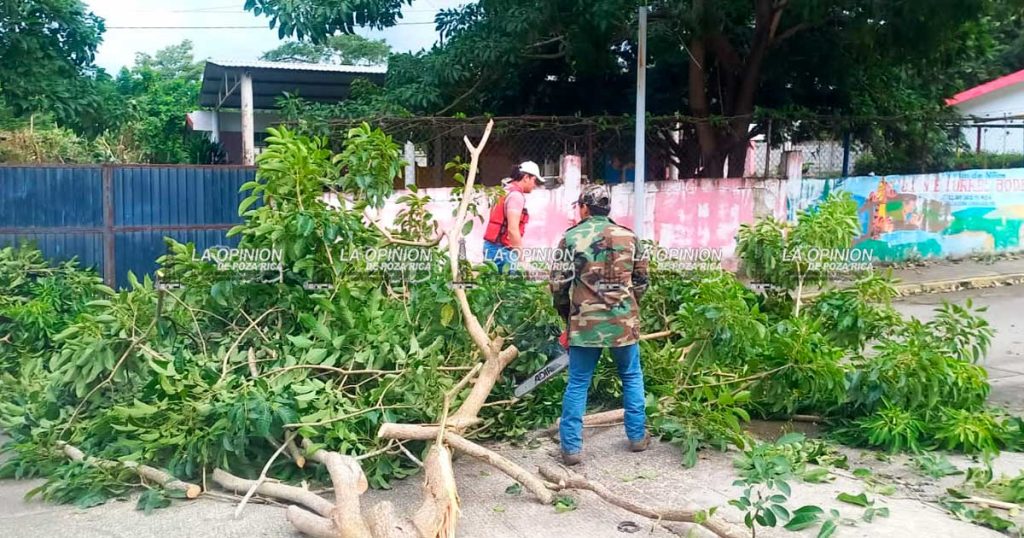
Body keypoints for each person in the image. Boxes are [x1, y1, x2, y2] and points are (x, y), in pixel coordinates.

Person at [550, 184, 650, 466]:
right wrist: (628, 309)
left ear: (584, 207)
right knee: (631, 376)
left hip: (585, 324)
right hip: (623, 322)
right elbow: (642, 281)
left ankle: (571, 449)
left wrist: (567, 316)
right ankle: (637, 437)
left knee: (579, 382)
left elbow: (558, 284)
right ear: (607, 209)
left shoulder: (571, 238)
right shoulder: (630, 238)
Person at [483, 161, 545, 273]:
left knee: (494, 286)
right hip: (502, 250)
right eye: (534, 180)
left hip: (491, 247)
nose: (534, 185)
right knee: (512, 287)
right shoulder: (516, 196)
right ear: (526, 177)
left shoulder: (504, 191)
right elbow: (512, 230)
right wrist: (522, 260)